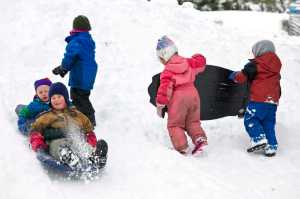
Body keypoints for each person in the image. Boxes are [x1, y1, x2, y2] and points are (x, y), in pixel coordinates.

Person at [29, 82, 107, 169]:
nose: (56, 100)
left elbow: (88, 130)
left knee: (82, 146)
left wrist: (91, 143)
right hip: (57, 141)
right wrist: (39, 145)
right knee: (59, 147)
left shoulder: (77, 114)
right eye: (53, 98)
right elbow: (34, 130)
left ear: (65, 98)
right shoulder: (47, 116)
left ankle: (96, 157)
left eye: (59, 97)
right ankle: (69, 157)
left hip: (74, 140)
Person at [155, 35, 208, 155]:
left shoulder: (167, 72)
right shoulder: (189, 62)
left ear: (164, 56)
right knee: (193, 122)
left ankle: (182, 147)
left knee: (174, 124)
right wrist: (197, 56)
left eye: (161, 59)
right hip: (193, 95)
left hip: (178, 99)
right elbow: (201, 63)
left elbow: (165, 90)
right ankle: (200, 139)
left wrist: (160, 105)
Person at [229, 40, 282, 157]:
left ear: (259, 51)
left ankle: (258, 138)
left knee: (251, 119)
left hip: (258, 100)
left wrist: (234, 76)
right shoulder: (276, 68)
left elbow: (241, 77)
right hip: (272, 102)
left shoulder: (255, 65)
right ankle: (271, 146)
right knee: (268, 123)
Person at [52, 15, 98, 126]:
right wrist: (65, 68)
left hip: (81, 74)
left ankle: (88, 119)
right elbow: (79, 57)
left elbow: (70, 56)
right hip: (88, 73)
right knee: (83, 96)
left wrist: (63, 67)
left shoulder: (76, 41)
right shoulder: (88, 40)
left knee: (78, 97)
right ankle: (88, 116)